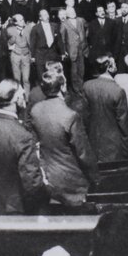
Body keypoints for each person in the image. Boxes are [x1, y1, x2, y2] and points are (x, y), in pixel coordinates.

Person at [0, 79, 45, 214]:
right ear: (16, 99)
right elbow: (31, 183)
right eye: (22, 94)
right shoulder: (23, 135)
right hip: (14, 209)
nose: (25, 99)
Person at [29, 68, 98, 208]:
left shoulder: (35, 110)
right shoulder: (70, 115)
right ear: (62, 87)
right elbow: (83, 153)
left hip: (49, 177)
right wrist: (95, 178)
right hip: (72, 181)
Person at [82, 54, 128, 162]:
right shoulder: (117, 91)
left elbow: (85, 116)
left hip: (93, 142)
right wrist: (127, 151)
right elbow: (123, 124)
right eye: (114, 64)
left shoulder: (86, 86)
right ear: (109, 68)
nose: (116, 66)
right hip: (113, 146)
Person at [59, 5, 88, 94]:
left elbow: (87, 28)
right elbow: (62, 39)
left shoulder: (81, 20)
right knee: (74, 71)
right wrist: (64, 51)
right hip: (72, 51)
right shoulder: (64, 24)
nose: (73, 13)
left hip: (82, 49)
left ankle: (81, 87)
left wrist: (85, 38)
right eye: (71, 12)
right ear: (67, 14)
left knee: (82, 70)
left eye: (74, 11)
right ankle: (76, 89)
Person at [29, 8, 61, 84]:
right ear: (40, 17)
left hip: (52, 54)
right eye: (44, 15)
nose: (47, 16)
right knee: (42, 77)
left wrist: (62, 52)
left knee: (54, 76)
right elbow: (32, 43)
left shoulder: (55, 26)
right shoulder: (35, 28)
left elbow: (59, 41)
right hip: (40, 55)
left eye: (47, 14)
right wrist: (32, 56)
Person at [5, 13, 34, 98]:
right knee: (17, 79)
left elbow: (32, 42)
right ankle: (18, 97)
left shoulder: (28, 28)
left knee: (26, 79)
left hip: (26, 55)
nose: (23, 21)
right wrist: (11, 41)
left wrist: (32, 55)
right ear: (15, 23)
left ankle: (27, 98)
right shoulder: (10, 30)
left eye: (23, 19)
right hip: (15, 56)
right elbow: (5, 41)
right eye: (20, 20)